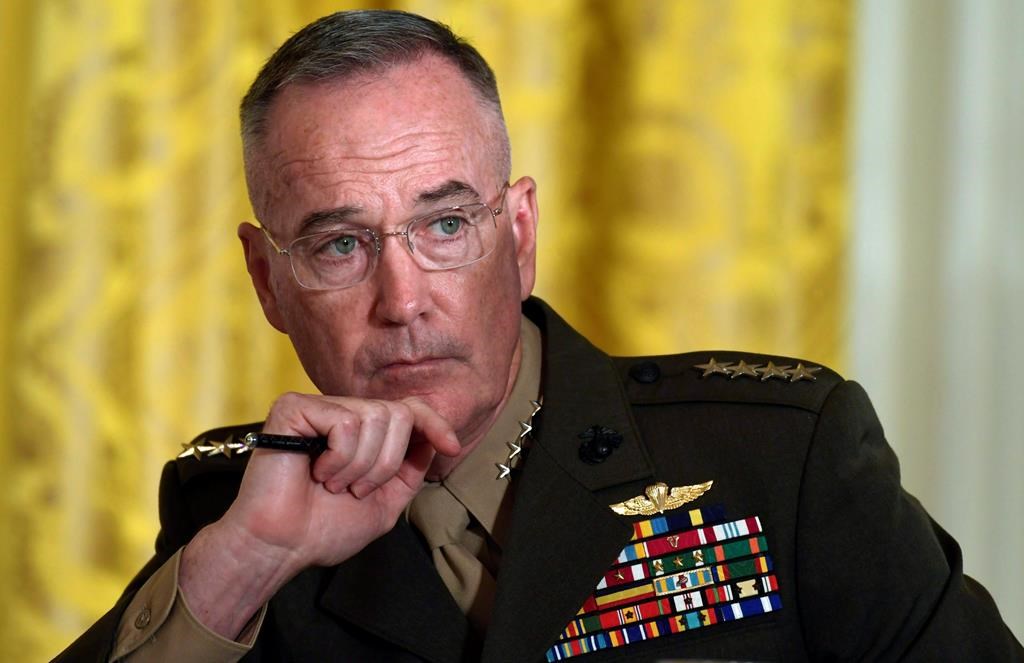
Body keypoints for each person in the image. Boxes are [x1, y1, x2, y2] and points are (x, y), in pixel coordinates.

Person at [57, 9, 1022, 663]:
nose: (404, 299)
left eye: (445, 225)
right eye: (341, 243)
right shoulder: (235, 513)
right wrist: (240, 566)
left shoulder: (783, 456)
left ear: (518, 236)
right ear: (268, 280)